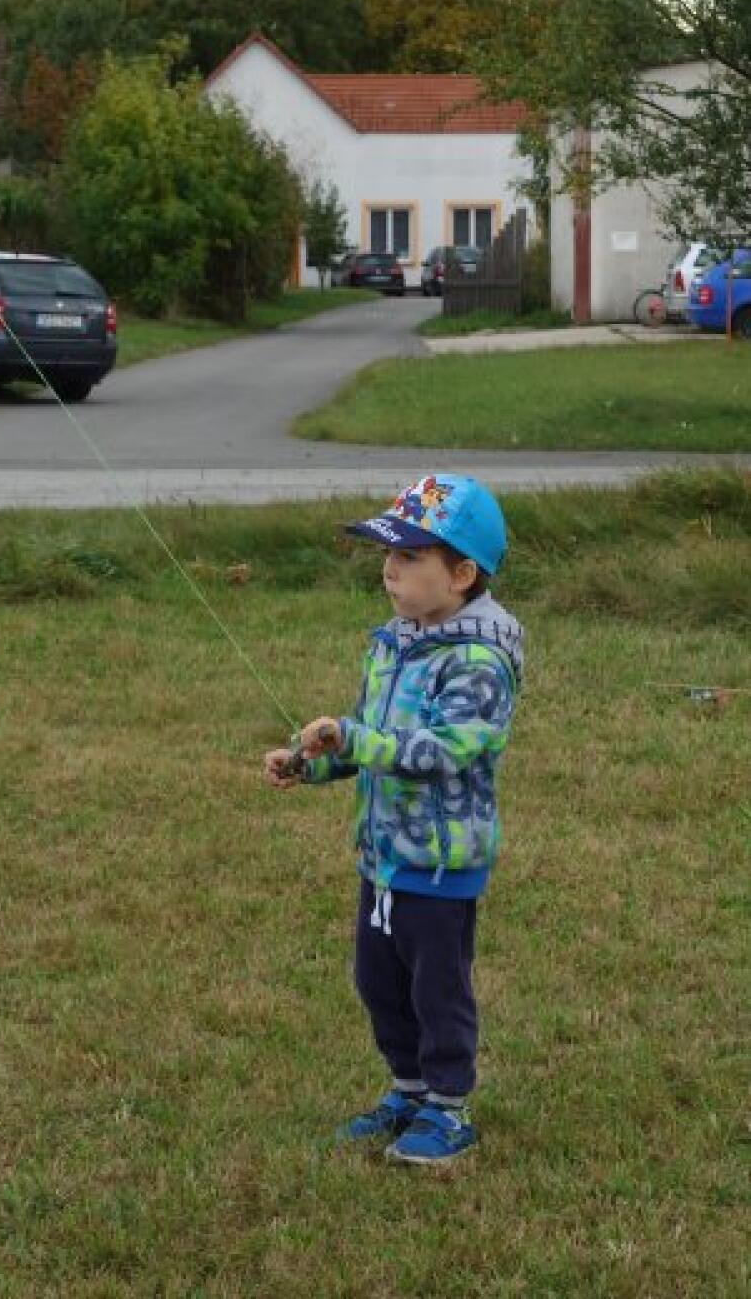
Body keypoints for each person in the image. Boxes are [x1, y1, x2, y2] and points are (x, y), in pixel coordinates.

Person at [264, 474, 523, 1169]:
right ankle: (408, 1091)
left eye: (409, 556)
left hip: (440, 862)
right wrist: (312, 762)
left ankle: (448, 1107)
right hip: (382, 855)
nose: (389, 568)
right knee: (378, 983)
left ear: (461, 575)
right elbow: (369, 741)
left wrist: (351, 737)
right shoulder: (393, 643)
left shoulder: (479, 661)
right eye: (387, 553)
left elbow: (445, 750)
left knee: (436, 990)